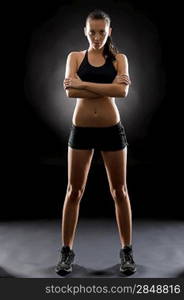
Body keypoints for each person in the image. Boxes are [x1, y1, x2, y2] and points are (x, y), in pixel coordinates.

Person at [55, 9, 136, 276]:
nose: (97, 37)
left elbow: (122, 91)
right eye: (92, 32)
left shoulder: (119, 59)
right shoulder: (75, 57)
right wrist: (105, 87)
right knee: (73, 192)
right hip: (82, 130)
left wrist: (84, 84)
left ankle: (126, 252)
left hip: (111, 130)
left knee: (120, 192)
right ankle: (66, 252)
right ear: (85, 31)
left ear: (109, 31)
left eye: (102, 32)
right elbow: (69, 91)